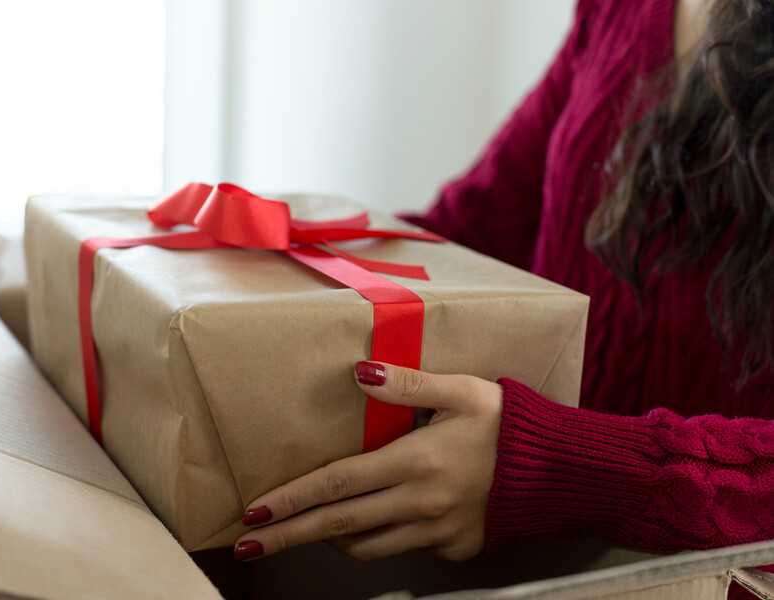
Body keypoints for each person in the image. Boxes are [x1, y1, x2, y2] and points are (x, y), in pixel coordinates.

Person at [232, 0, 774, 577]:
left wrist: (560, 465)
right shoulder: (619, 11)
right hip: (529, 563)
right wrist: (281, 259)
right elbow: (472, 230)